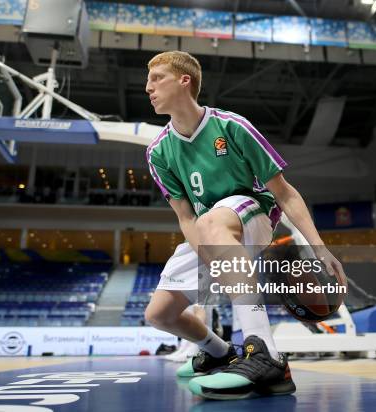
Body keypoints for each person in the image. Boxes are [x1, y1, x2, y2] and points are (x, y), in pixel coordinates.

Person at [143, 51, 346, 400]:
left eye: (157, 78)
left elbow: (285, 193)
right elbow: (185, 217)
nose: (148, 87)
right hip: (208, 228)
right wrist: (210, 258)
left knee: (213, 221)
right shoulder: (158, 152)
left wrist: (318, 246)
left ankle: (265, 352)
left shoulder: (231, 126)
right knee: (159, 315)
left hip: (254, 214)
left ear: (184, 80)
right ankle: (221, 352)